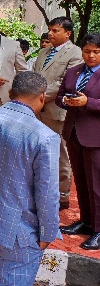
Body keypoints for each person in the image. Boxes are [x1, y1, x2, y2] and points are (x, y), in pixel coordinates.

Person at [0, 71, 61, 285]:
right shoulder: (44, 137)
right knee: (13, 275)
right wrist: (48, 233)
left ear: (9, 92)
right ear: (42, 98)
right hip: (20, 228)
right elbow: (47, 192)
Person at [33, 17, 83, 211]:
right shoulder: (44, 51)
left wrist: (37, 95)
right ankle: (44, 190)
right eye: (50, 30)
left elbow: (65, 83)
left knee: (60, 154)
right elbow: (35, 74)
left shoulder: (75, 53)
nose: (50, 34)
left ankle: (63, 195)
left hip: (57, 111)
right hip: (38, 110)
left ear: (67, 33)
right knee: (41, 153)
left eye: (55, 31)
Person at [57, 33, 100, 250]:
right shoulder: (74, 71)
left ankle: (99, 230)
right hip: (73, 133)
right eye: (87, 51)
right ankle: (86, 221)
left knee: (97, 185)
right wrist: (65, 100)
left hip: (96, 137)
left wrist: (88, 102)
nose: (91, 55)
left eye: (96, 51)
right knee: (81, 182)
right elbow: (59, 95)